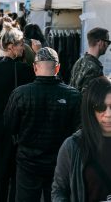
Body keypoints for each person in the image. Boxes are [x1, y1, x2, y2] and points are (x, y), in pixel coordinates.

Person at [5, 47, 81, 202]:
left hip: (28, 162)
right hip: (60, 162)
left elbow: (9, 126)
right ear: (58, 68)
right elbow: (78, 131)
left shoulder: (20, 94)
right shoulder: (73, 96)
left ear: (34, 67)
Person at [0, 23, 35, 201]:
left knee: (1, 172)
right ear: (11, 46)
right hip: (19, 127)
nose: (23, 47)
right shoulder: (24, 71)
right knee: (16, 172)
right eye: (21, 44)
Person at [52, 76, 111, 202]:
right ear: (90, 109)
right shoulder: (73, 146)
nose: (108, 114)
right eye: (101, 107)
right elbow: (59, 191)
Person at [70, 27, 110, 93]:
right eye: (108, 42)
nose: (108, 45)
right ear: (99, 42)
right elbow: (90, 97)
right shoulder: (94, 68)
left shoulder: (79, 61)